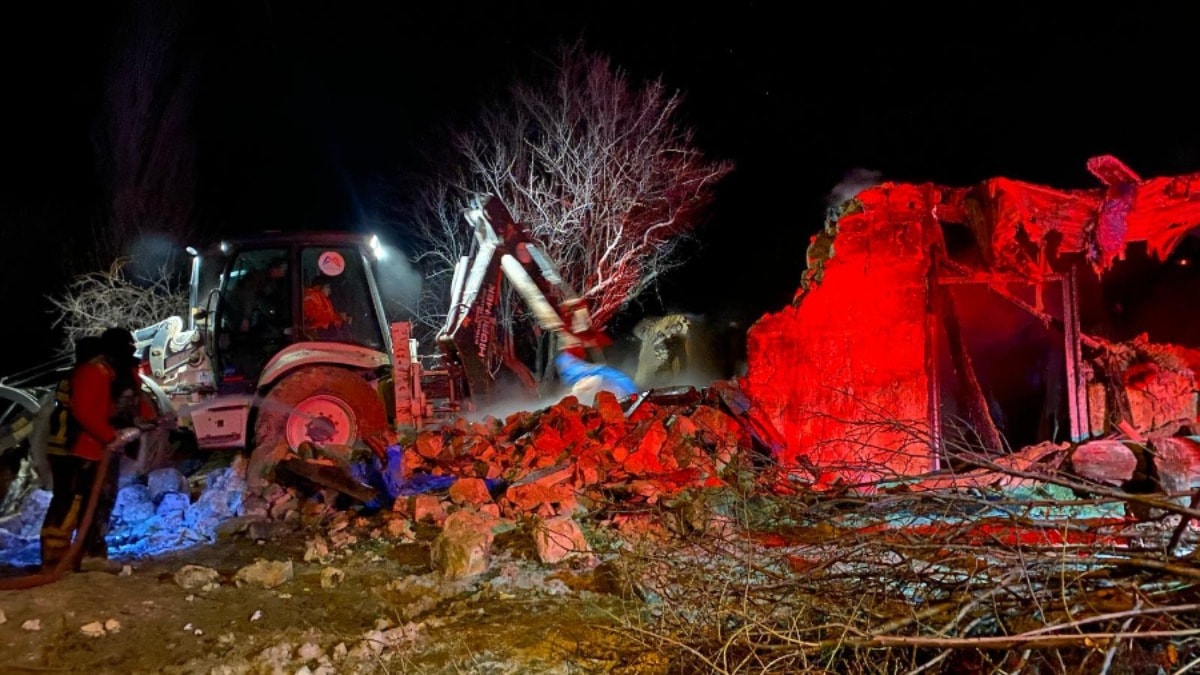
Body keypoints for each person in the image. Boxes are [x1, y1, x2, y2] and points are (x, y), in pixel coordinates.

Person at [38, 328, 150, 573]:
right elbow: (85, 412)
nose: (132, 349)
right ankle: (55, 559)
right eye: (127, 345)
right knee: (70, 502)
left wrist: (148, 421)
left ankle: (91, 553)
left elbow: (132, 403)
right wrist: (113, 436)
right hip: (75, 452)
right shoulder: (93, 372)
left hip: (101, 450)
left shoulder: (120, 372)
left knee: (100, 502)